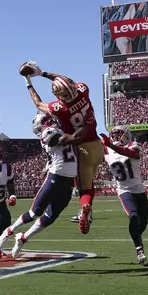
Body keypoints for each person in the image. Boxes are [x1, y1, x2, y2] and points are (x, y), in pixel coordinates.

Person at [21, 61, 103, 234]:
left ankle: (85, 209)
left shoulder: (60, 108)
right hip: (97, 144)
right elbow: (67, 80)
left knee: (84, 188)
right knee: (89, 182)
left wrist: (29, 81)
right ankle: (86, 210)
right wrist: (42, 73)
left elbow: (38, 104)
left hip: (82, 148)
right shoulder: (83, 89)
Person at [0, 112, 80, 259]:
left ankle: (23, 238)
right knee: (35, 212)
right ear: (40, 126)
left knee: (51, 216)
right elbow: (60, 141)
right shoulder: (48, 132)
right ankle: (8, 231)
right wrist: (77, 135)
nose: (51, 120)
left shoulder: (60, 129)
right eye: (46, 120)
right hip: (56, 176)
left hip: (69, 179)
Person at [102, 126, 148, 265]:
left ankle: (135, 236)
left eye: (119, 135)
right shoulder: (106, 149)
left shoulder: (134, 145)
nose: (118, 137)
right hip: (124, 190)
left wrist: (110, 145)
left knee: (144, 220)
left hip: (139, 190)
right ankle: (139, 249)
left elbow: (131, 153)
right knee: (133, 216)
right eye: (115, 135)